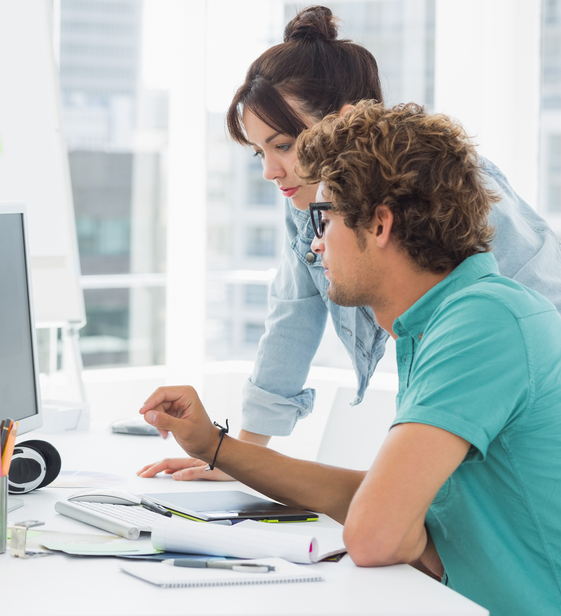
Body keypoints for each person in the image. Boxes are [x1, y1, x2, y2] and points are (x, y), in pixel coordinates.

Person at [141, 101, 561, 616]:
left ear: (380, 224)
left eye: (328, 219)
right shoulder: (441, 320)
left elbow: (376, 534)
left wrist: (410, 536)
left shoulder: (484, 321)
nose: (316, 246)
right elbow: (371, 504)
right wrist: (214, 446)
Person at [139, 5, 561, 481]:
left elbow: (531, 324)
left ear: (343, 120)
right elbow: (292, 315)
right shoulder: (307, 202)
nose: (269, 171)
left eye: (283, 145)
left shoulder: (452, 190)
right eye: (260, 152)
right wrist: (236, 458)